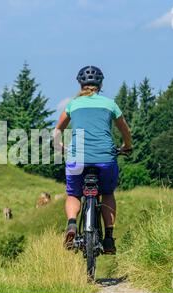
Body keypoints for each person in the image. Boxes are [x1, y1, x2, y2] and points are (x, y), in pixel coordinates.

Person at [54, 66, 132, 255]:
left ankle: (72, 224)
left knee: (73, 194)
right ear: (101, 84)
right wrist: (127, 146)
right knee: (107, 193)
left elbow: (57, 131)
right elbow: (125, 130)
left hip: (77, 157)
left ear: (80, 84)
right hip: (105, 156)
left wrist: (59, 147)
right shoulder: (110, 104)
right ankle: (109, 238)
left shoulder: (73, 104)